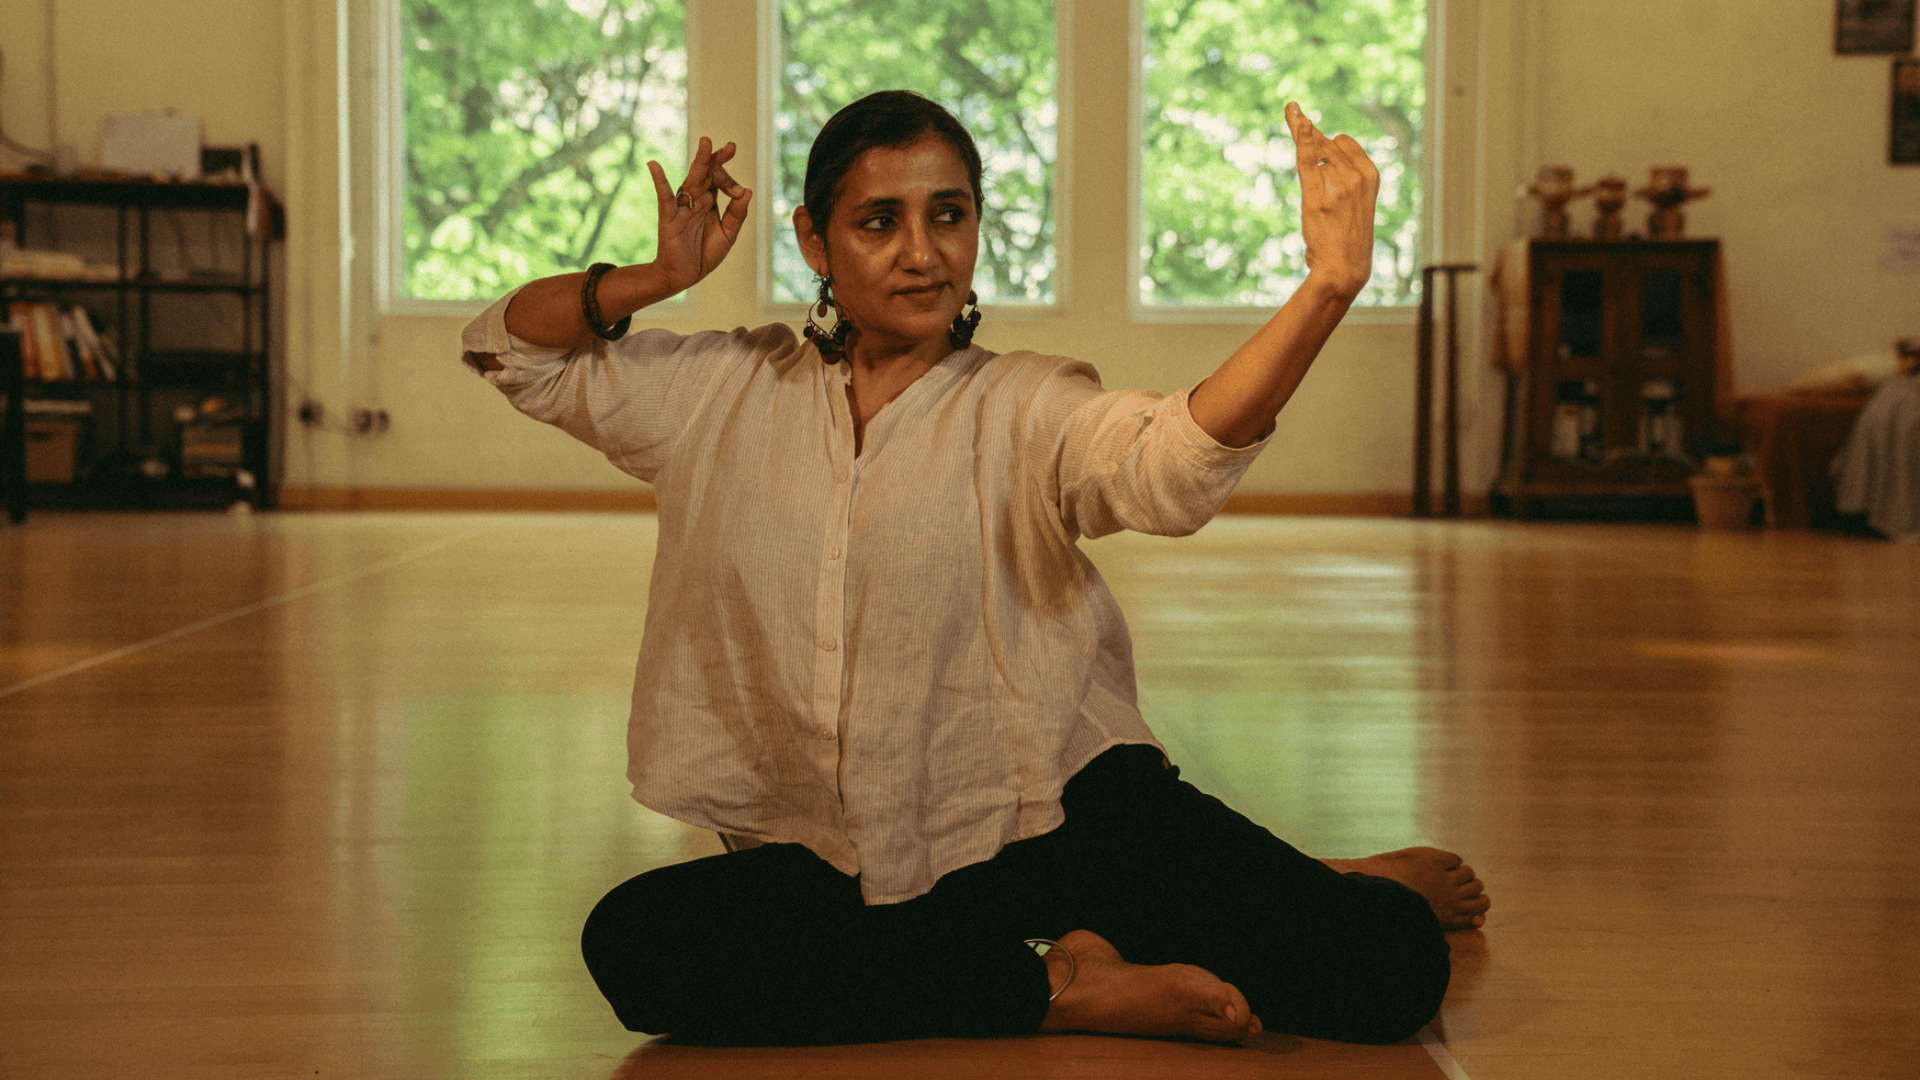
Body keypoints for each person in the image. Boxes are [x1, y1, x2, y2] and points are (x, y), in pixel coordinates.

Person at [461, 90, 1488, 1048]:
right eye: (879, 222)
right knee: (638, 945)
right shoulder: (719, 391)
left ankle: (1300, 885)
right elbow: (514, 349)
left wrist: (1328, 287)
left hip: (1064, 820)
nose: (922, 254)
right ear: (814, 240)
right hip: (841, 853)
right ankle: (1064, 981)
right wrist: (656, 280)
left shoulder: (1026, 402)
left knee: (1386, 969)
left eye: (948, 216)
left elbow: (1168, 465)